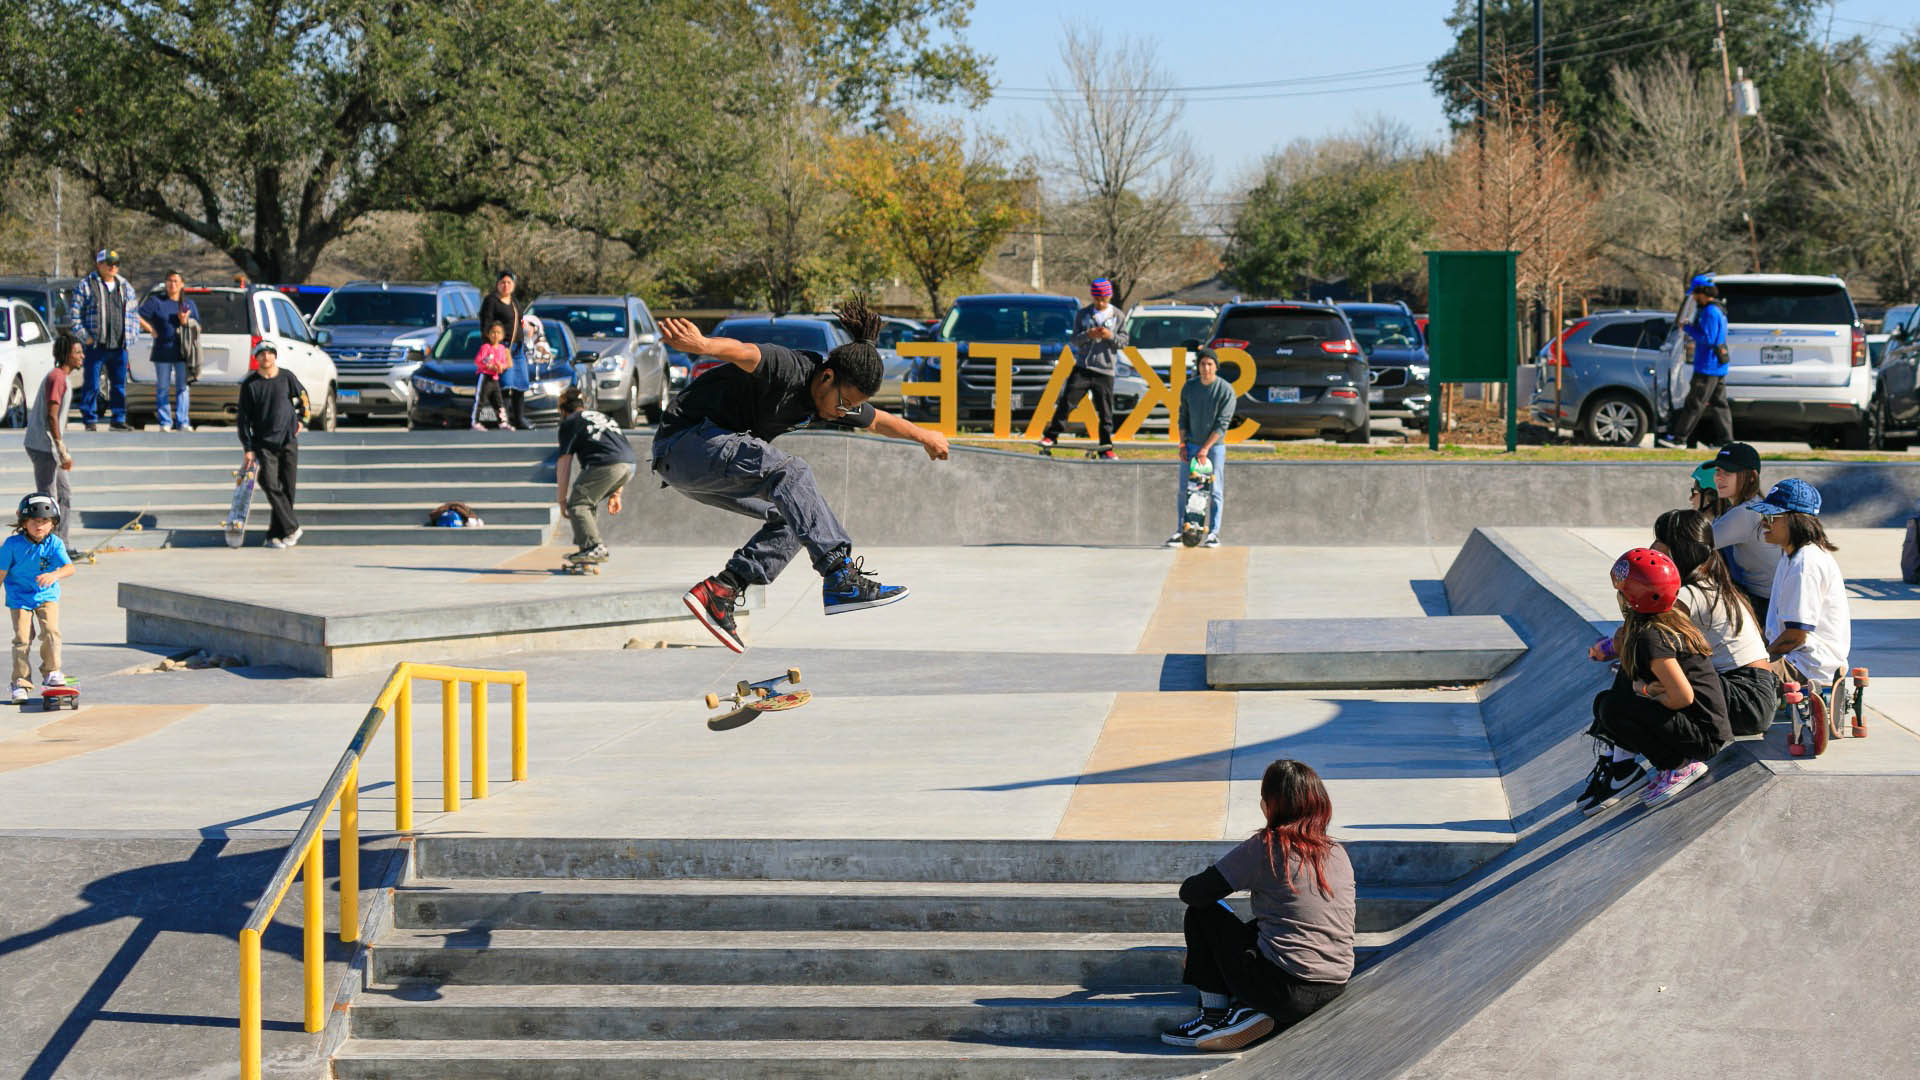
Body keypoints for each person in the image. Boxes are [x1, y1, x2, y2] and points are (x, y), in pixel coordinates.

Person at [655, 299, 950, 653]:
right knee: (792, 473)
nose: (844, 413)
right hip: (686, 444)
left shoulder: (832, 396)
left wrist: (925, 437)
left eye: (850, 407)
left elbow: (877, 420)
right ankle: (839, 575)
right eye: (844, 404)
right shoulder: (791, 367)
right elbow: (745, 352)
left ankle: (722, 590)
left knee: (796, 515)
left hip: (702, 464)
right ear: (826, 377)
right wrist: (704, 346)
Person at [1163, 759, 1354, 1053]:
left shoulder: (1268, 845)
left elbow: (1193, 892)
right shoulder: (1337, 852)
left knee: (1205, 913)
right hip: (1334, 984)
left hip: (1282, 987)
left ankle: (1213, 1016)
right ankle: (1251, 1011)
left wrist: (1201, 955)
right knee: (1262, 926)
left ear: (1269, 805)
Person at [1576, 548, 1732, 814]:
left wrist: (1645, 691)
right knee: (1608, 700)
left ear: (1629, 598)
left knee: (1612, 708)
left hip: (1702, 736)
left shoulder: (1652, 637)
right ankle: (1622, 766)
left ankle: (1678, 766)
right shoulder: (1660, 624)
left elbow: (1683, 697)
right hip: (1696, 725)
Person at [1653, 509, 1779, 737]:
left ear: (1676, 549)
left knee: (1654, 673)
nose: (1652, 548)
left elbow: (1648, 637)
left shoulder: (1690, 595)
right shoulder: (1712, 583)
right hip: (1755, 694)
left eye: (1659, 541)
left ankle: (1680, 761)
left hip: (1745, 697)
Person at [1757, 478, 1851, 691]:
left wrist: (1758, 658)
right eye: (1763, 515)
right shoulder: (1792, 555)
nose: (1764, 522)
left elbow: (1796, 636)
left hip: (1808, 667)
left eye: (1771, 516)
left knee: (1734, 677)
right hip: (1796, 658)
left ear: (1794, 520)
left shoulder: (1805, 563)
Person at [1039, 278, 1128, 459]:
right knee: (1067, 401)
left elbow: (1124, 342)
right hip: (1083, 367)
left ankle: (1106, 446)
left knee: (1105, 411)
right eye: (1097, 299)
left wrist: (1110, 336)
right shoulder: (1083, 315)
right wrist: (1088, 335)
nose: (1100, 303)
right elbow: (1074, 340)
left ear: (1109, 296)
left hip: (1105, 370)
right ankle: (1051, 436)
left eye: (1104, 299)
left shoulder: (1118, 316)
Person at [236, 343, 311, 549]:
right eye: (262, 354)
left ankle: (275, 535)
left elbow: (304, 398)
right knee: (269, 483)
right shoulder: (250, 384)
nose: (266, 357)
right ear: (256, 358)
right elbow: (243, 419)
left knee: (288, 489)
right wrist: (248, 448)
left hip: (288, 440)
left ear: (275, 356)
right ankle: (292, 527)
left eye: (269, 353)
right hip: (264, 443)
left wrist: (303, 420)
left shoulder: (286, 377)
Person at [4, 493, 73, 704]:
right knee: (22, 639)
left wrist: (54, 575)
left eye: (45, 521)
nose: (39, 526)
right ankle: (20, 683)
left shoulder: (55, 544)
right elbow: (1, 572)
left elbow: (69, 568)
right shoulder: (12, 544)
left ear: (53, 523)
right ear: (24, 522)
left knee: (51, 631)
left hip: (46, 595)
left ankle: (52, 672)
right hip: (19, 598)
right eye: (34, 521)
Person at [67, 249, 145, 431]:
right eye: (108, 264)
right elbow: (74, 315)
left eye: (116, 264)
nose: (112, 267)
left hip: (119, 346)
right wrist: (85, 337)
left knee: (119, 385)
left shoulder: (125, 287)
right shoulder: (86, 285)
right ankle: (90, 419)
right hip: (95, 345)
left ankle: (118, 419)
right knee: (92, 384)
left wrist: (130, 337)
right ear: (99, 264)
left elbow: (133, 314)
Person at [554, 385, 633, 564]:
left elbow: (564, 464)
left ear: (563, 410)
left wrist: (562, 500)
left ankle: (593, 547)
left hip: (605, 464)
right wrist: (616, 493)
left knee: (578, 503)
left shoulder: (571, 422)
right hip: (628, 465)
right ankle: (587, 548)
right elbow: (619, 450)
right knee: (589, 502)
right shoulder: (601, 416)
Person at [1705, 442, 1779, 625]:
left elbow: (1691, 545)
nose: (1719, 478)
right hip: (1764, 601)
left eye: (1727, 473)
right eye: (1718, 471)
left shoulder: (1745, 513)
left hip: (1767, 609)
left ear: (1752, 477)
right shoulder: (1754, 505)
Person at [1167, 346, 1234, 547]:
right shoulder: (1189, 388)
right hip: (1191, 445)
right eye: (1202, 364)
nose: (1206, 368)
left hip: (1214, 448)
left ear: (1216, 367)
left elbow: (1223, 424)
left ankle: (1213, 533)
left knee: (1215, 491)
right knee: (1185, 490)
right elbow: (1183, 418)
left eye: (1210, 364)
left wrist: (1205, 448)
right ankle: (1182, 530)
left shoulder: (1225, 390)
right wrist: (1182, 443)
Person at [1659, 274, 1732, 449]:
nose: (1693, 297)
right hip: (1718, 366)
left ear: (1702, 292)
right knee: (1720, 405)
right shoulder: (1719, 309)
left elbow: (1708, 339)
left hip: (1707, 366)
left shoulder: (1709, 311)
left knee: (1694, 403)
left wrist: (1688, 328)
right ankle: (1726, 442)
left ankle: (1679, 439)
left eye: (1695, 294)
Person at [24, 334, 84, 544]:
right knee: (47, 499)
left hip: (49, 446)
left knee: (64, 494)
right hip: (42, 446)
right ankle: (45, 546)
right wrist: (61, 449)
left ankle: (61, 545)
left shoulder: (61, 377)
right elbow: (52, 415)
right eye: (77, 352)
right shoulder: (57, 377)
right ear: (66, 355)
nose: (81, 356)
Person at [137, 270, 199, 431]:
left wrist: (185, 321)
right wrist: (150, 328)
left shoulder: (188, 303)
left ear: (182, 284)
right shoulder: (156, 301)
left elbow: (198, 327)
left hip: (182, 352)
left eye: (176, 281)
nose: (173, 284)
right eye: (169, 280)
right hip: (162, 352)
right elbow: (137, 315)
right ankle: (165, 422)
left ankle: (183, 421)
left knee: (182, 387)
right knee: (163, 387)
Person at [478, 269, 529, 429]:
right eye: (502, 282)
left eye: (509, 282)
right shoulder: (491, 301)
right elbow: (486, 324)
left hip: (518, 348)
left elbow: (520, 320)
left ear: (513, 285)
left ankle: (519, 419)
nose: (505, 286)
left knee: (520, 384)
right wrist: (492, 347)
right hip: (502, 347)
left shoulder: (514, 301)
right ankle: (503, 420)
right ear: (497, 284)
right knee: (505, 384)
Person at [472, 320, 512, 430]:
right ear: (488, 334)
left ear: (502, 335)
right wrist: (489, 366)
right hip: (486, 377)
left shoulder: (502, 349)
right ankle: (475, 422)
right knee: (481, 400)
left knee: (498, 401)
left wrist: (501, 366)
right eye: (493, 332)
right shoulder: (486, 347)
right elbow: (478, 361)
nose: (495, 335)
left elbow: (504, 363)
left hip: (495, 378)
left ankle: (502, 422)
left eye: (498, 333)